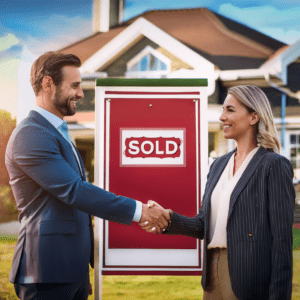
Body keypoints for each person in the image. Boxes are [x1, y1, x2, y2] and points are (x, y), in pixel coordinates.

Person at [5, 51, 170, 300]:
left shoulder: (57, 131)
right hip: (46, 271)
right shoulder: (31, 135)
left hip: (71, 267)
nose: (81, 94)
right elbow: (74, 191)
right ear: (48, 83)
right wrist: (140, 211)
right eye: (75, 86)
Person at [142, 85, 295, 300]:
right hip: (212, 274)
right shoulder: (218, 165)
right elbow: (204, 224)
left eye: (230, 110)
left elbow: (282, 240)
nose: (222, 116)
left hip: (250, 276)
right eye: (223, 110)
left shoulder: (273, 165)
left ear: (253, 117)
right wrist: (168, 218)